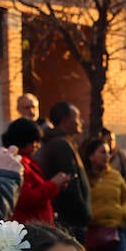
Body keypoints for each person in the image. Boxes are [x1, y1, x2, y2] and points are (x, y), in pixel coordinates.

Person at [33, 101, 92, 242]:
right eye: (77, 117)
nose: (81, 121)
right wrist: (83, 214)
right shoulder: (60, 145)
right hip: (71, 222)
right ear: (65, 121)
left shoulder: (63, 142)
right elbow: (70, 184)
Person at [2, 118, 66, 225]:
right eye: (35, 142)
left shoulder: (27, 162)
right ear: (24, 141)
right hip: (29, 224)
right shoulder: (17, 164)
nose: (37, 146)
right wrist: (53, 184)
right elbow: (25, 198)